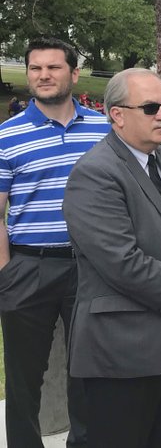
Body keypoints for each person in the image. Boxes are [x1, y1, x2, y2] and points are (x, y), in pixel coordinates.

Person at [62, 69, 161, 448]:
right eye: (151, 107)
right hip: (123, 352)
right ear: (117, 114)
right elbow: (122, 263)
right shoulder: (95, 174)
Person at [0, 37, 109, 448]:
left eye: (53, 67)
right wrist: (6, 275)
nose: (43, 75)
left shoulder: (104, 129)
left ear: (73, 73)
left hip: (90, 268)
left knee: (88, 371)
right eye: (35, 68)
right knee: (25, 378)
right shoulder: (6, 136)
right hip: (28, 268)